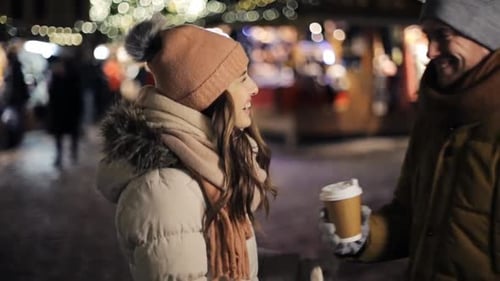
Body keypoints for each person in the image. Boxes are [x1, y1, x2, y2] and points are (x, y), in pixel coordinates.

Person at [319, 0, 500, 280]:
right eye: (428, 36)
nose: (430, 51)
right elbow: (410, 215)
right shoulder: (435, 114)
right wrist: (366, 237)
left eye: (443, 35)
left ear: (488, 34)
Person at [96, 14, 276, 281]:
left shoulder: (214, 166)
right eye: (241, 79)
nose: (254, 88)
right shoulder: (163, 192)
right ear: (208, 96)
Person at [47, 56, 84, 167]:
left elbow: (77, 95)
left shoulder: (73, 77)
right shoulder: (56, 77)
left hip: (70, 111)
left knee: (72, 133)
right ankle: (60, 155)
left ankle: (73, 153)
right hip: (60, 112)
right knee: (60, 135)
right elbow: (52, 95)